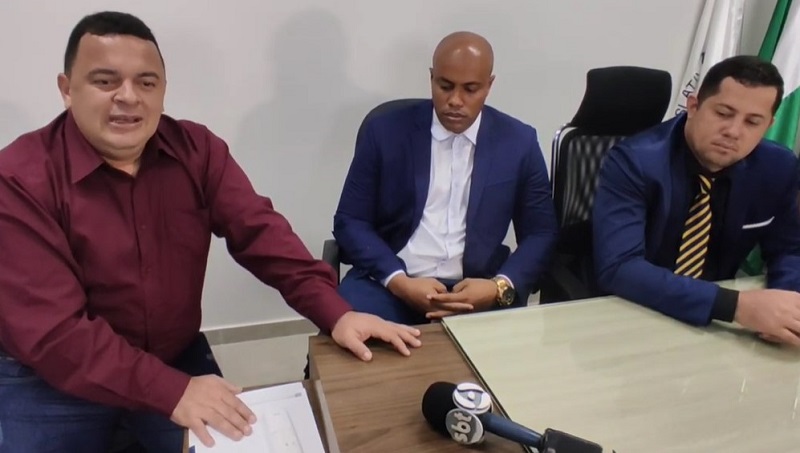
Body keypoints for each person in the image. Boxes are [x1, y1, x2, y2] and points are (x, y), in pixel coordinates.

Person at [0, 11, 422, 452]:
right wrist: (171, 391)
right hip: (51, 379)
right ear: (67, 89)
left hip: (171, 358)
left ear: (163, 89)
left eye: (146, 82)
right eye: (105, 81)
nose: (128, 97)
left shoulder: (196, 150)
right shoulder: (18, 179)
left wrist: (338, 313)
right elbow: (55, 333)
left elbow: (261, 234)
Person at [333, 31, 558, 325]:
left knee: (503, 352)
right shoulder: (385, 132)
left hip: (478, 286)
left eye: (470, 89)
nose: (455, 100)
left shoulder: (518, 142)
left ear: (489, 85)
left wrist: (498, 286)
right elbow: (350, 220)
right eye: (445, 86)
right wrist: (398, 281)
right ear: (431, 78)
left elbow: (541, 233)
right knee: (353, 338)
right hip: (391, 282)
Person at [593, 55, 800, 345]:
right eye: (723, 113)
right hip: (635, 311)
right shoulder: (636, 161)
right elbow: (620, 267)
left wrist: (788, 308)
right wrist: (735, 306)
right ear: (693, 106)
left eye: (753, 122)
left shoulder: (778, 168)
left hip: (717, 328)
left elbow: (790, 249)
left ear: (768, 126)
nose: (734, 131)